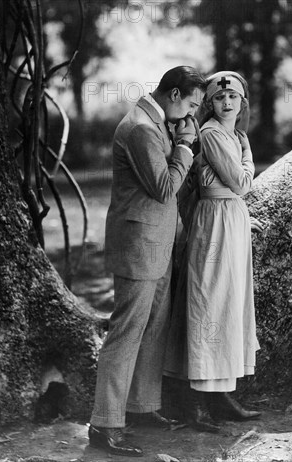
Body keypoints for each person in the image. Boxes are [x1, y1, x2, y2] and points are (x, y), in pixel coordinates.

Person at [87, 66, 206, 458]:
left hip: (157, 244)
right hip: (138, 246)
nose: (192, 115)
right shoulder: (140, 128)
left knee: (153, 327)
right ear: (173, 95)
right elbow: (163, 187)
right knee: (126, 332)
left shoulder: (158, 123)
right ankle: (104, 424)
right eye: (191, 104)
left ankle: (141, 407)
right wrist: (186, 148)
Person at [164, 71, 262, 432]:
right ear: (210, 103)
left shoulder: (234, 134)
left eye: (233, 97)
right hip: (215, 220)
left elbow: (236, 185)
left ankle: (220, 394)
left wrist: (241, 162)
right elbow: (241, 182)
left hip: (231, 219)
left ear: (242, 102)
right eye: (219, 98)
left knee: (229, 301)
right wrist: (248, 159)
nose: (226, 102)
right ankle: (195, 399)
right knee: (209, 299)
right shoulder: (212, 134)